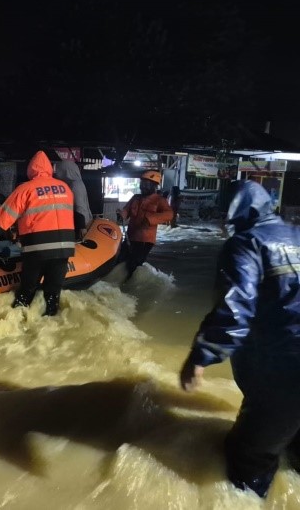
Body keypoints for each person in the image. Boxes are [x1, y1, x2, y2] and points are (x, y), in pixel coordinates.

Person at [179, 180, 300, 498]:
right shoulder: (297, 235)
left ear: (234, 212)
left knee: (247, 457)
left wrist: (200, 357)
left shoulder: (247, 243)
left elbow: (234, 309)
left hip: (287, 372)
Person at [0, 151, 75, 316]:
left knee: (27, 291)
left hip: (37, 248)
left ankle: (19, 324)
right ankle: (51, 326)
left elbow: (4, 217)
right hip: (63, 249)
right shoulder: (65, 188)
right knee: (53, 293)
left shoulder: (26, 189)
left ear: (31, 169)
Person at [117, 170, 174, 279]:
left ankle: (129, 286)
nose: (142, 186)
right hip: (130, 237)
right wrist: (121, 215)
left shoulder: (159, 200)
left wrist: (151, 219)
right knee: (119, 260)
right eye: (142, 183)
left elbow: (169, 214)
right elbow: (126, 210)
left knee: (134, 265)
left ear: (154, 185)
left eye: (146, 184)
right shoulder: (135, 198)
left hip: (145, 241)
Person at [54, 159, 93, 241]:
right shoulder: (77, 183)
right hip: (83, 221)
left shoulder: (75, 185)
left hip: (82, 223)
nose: (57, 174)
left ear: (66, 171)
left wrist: (82, 227)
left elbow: (79, 206)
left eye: (60, 171)